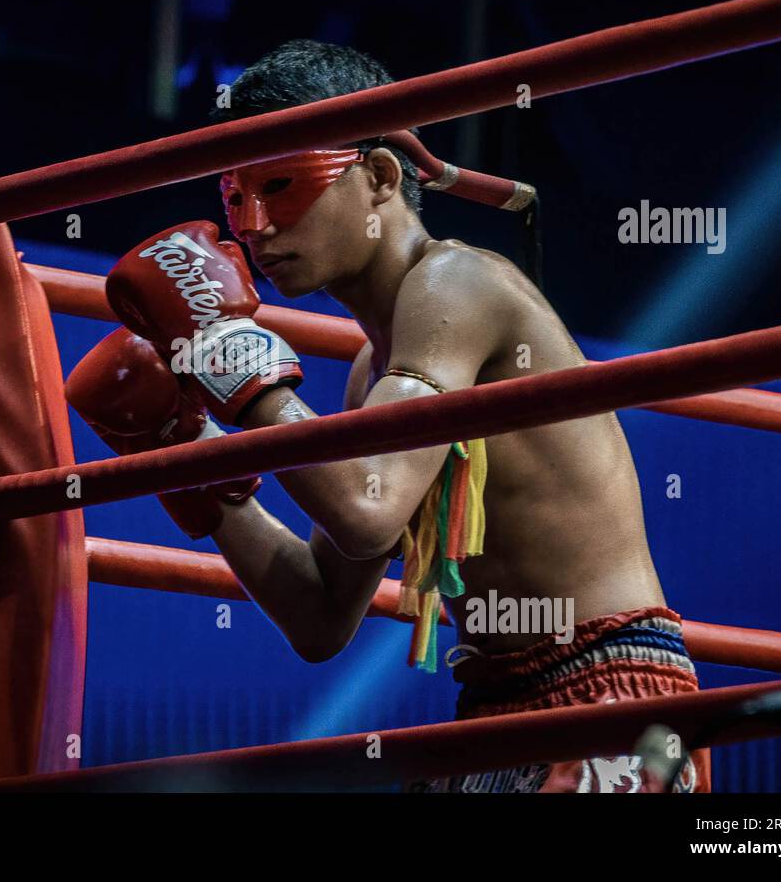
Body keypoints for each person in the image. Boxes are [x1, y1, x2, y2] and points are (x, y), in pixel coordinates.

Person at [66, 40, 709, 793]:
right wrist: (189, 445)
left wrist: (228, 350)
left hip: (610, 695)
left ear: (377, 177)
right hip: (494, 711)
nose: (256, 226)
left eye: (283, 184)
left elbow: (366, 511)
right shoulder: (379, 373)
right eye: (236, 198)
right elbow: (319, 613)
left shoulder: (458, 281)